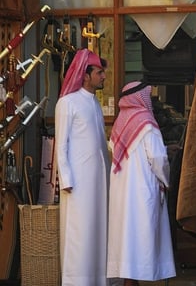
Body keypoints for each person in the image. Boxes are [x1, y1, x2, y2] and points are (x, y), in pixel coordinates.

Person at [107, 81, 176, 285]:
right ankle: (132, 281)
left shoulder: (120, 123)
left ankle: (130, 280)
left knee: (127, 236)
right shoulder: (147, 123)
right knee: (142, 236)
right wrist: (167, 180)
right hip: (143, 190)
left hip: (122, 192)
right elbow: (158, 159)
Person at [55, 49, 110, 286]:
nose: (104, 77)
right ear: (85, 75)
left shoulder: (95, 104)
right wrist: (66, 178)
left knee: (97, 233)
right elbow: (61, 144)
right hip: (76, 184)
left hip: (97, 182)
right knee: (78, 235)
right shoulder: (67, 103)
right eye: (99, 72)